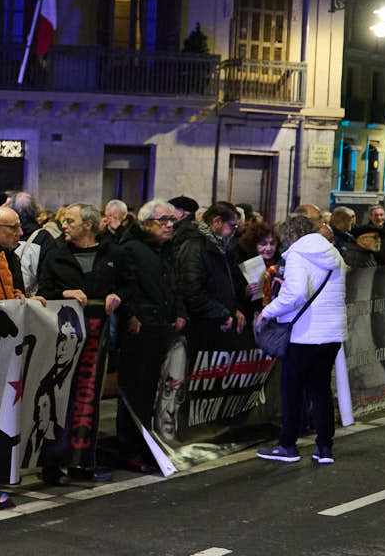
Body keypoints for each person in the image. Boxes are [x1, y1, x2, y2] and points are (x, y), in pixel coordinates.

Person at [255, 214, 347, 465]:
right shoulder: (334, 254)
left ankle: (287, 445)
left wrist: (267, 311)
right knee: (320, 391)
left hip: (304, 335)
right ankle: (325, 448)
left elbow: (295, 294)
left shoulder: (297, 254)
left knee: (292, 391)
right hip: (331, 333)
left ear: (290, 236)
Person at [114, 200, 186, 473]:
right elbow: (127, 286)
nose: (169, 225)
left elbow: (175, 284)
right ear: (146, 224)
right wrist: (132, 315)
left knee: (157, 392)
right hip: (141, 328)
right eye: (162, 221)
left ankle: (150, 445)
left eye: (171, 220)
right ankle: (130, 449)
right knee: (135, 392)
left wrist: (179, 311)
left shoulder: (167, 250)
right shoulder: (131, 249)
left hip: (164, 327)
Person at [174, 201, 245, 339]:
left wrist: (233, 309)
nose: (234, 232)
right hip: (202, 325)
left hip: (218, 320)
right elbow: (192, 291)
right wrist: (221, 313)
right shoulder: (194, 246)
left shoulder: (218, 246)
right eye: (232, 226)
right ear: (217, 221)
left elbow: (223, 286)